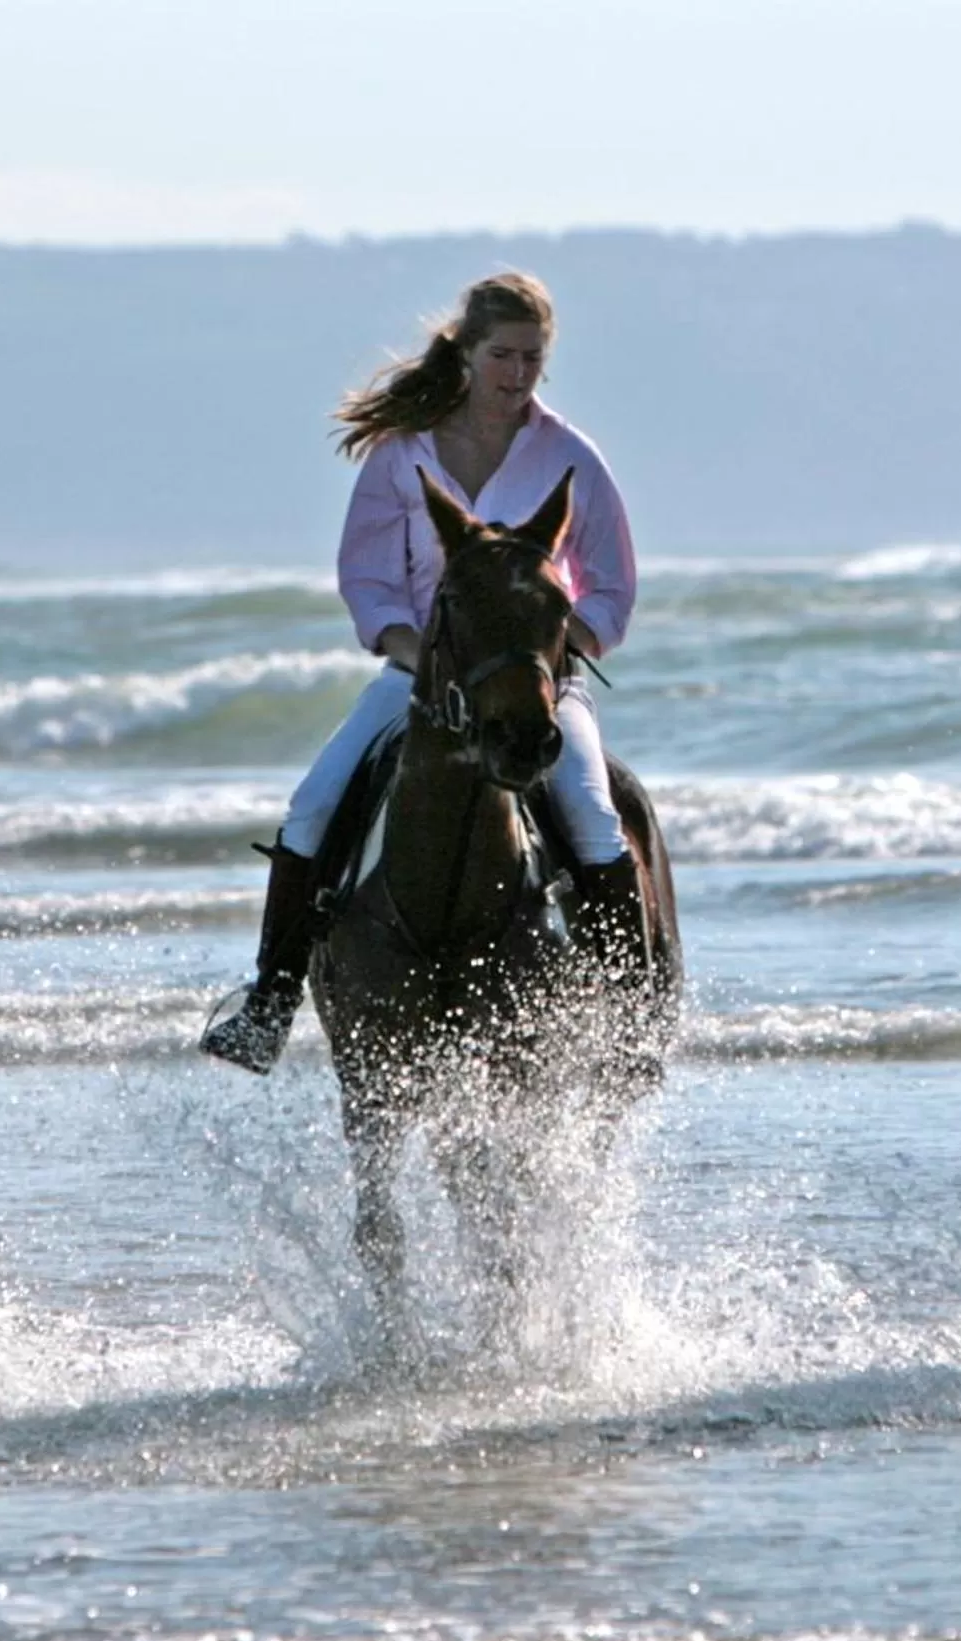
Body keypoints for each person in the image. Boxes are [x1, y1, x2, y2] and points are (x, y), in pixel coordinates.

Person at [200, 271, 643, 1073]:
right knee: (310, 807)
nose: (516, 374)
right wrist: (407, 648)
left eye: (532, 359)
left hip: (539, 687)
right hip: (419, 680)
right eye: (502, 355)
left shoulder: (570, 455)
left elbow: (610, 582)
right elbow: (366, 576)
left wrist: (556, 647)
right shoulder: (402, 453)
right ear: (465, 353)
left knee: (591, 812)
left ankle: (628, 1015)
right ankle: (269, 999)